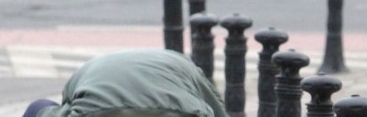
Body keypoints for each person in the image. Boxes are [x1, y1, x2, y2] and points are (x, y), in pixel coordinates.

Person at [21, 49, 227, 117]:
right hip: (180, 110)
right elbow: (217, 109)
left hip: (96, 108)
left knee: (37, 108)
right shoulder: (185, 67)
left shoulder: (87, 75)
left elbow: (65, 107)